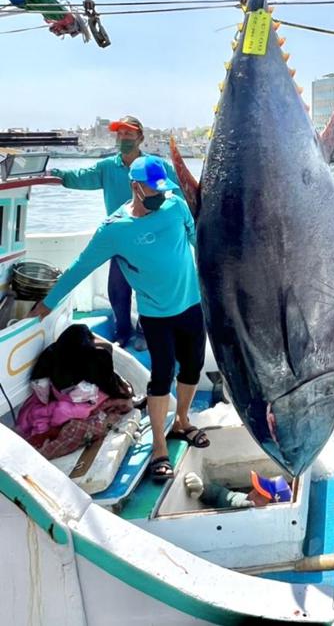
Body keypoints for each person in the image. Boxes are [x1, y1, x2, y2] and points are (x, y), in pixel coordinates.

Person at [30, 155, 208, 484]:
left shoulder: (175, 206)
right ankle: (158, 447)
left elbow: (198, 240)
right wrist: (48, 303)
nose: (160, 195)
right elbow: (80, 267)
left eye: (163, 189)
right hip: (157, 315)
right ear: (135, 187)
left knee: (193, 368)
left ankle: (182, 421)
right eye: (153, 190)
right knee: (161, 376)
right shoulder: (114, 230)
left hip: (193, 306)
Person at [49, 116, 181, 349]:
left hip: (152, 239)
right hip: (120, 239)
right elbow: (78, 177)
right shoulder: (107, 167)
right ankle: (123, 331)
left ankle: (144, 331)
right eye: (120, 134)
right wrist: (52, 173)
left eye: (129, 134)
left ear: (140, 138)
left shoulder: (155, 166)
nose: (124, 138)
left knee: (149, 290)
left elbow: (179, 195)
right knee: (117, 290)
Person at [184, 470, 292, 509]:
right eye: (255, 489)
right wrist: (202, 490)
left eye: (259, 495)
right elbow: (221, 495)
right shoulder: (245, 500)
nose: (251, 494)